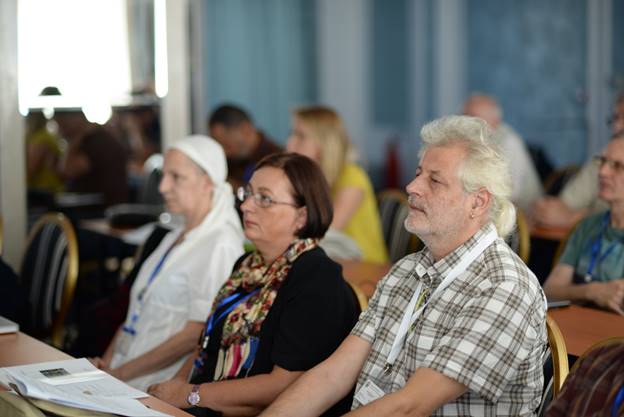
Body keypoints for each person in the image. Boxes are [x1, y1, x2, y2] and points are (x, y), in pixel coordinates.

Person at [261, 115, 547, 417]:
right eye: (418, 173)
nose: (411, 186)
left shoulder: (503, 287)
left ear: (477, 203)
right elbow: (333, 375)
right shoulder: (406, 270)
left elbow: (410, 406)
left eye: (434, 180)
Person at [147, 153, 358, 416]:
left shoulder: (317, 278)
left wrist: (190, 395)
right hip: (206, 402)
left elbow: (284, 385)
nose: (247, 206)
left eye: (265, 199)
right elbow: (208, 342)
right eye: (247, 194)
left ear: (301, 217)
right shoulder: (247, 265)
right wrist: (177, 386)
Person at [91, 135, 245, 391]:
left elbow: (194, 334)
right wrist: (107, 366)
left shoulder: (221, 245)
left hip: (156, 384)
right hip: (123, 372)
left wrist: (119, 374)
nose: (163, 187)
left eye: (177, 177)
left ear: (207, 182)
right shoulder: (175, 236)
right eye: (164, 175)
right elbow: (136, 312)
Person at [286, 105, 389, 264]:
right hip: (329, 260)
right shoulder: (314, 177)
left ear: (324, 141)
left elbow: (327, 231)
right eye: (292, 134)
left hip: (364, 269)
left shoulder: (352, 176)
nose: (290, 143)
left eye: (301, 136)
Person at [543, 134, 624, 316]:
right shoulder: (588, 226)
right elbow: (549, 291)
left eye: (617, 166)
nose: (602, 171)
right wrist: (592, 291)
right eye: (602, 161)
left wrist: (575, 291)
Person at [532, 93, 624, 229]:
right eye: (615, 118)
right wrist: (548, 210)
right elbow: (563, 206)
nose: (603, 171)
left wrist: (576, 218)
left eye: (617, 166)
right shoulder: (599, 162)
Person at [463, 93, 543, 212]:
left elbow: (510, 193)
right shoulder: (467, 142)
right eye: (463, 117)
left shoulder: (510, 142)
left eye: (473, 118)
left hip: (522, 217)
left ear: (494, 121)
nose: (464, 123)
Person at [54, 108, 129, 206]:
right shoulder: (96, 138)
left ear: (76, 118)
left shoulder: (97, 142)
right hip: (94, 206)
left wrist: (75, 140)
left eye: (62, 123)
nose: (60, 130)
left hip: (98, 210)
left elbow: (66, 170)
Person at [208, 104, 281, 190]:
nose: (224, 152)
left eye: (226, 144)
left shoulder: (277, 160)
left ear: (245, 129)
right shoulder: (230, 162)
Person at [25, 110, 64, 194]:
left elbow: (32, 168)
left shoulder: (41, 138)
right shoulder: (43, 136)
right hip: (46, 190)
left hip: (45, 191)